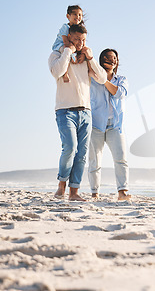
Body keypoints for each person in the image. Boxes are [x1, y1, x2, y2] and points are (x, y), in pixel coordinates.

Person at [48, 24, 107, 201]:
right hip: (65, 111)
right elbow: (57, 72)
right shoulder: (56, 55)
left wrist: (91, 58)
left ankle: (74, 192)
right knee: (70, 148)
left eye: (83, 40)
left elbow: (102, 78)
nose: (80, 43)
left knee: (81, 154)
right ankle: (61, 186)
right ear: (69, 37)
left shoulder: (85, 60)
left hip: (86, 113)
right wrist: (68, 50)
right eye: (76, 40)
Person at [88, 49, 131, 201]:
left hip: (115, 125)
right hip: (96, 125)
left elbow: (119, 93)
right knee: (95, 161)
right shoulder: (91, 78)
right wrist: (98, 76)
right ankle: (94, 193)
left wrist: (104, 80)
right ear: (101, 60)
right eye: (107, 58)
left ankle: (122, 192)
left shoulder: (121, 79)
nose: (111, 60)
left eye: (114, 58)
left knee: (121, 159)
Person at [52, 5, 86, 83]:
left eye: (80, 15)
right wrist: (72, 52)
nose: (78, 16)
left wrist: (82, 52)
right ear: (68, 16)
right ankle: (65, 73)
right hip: (61, 45)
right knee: (66, 52)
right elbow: (65, 41)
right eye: (75, 14)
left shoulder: (79, 29)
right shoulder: (65, 27)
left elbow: (83, 42)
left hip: (71, 46)